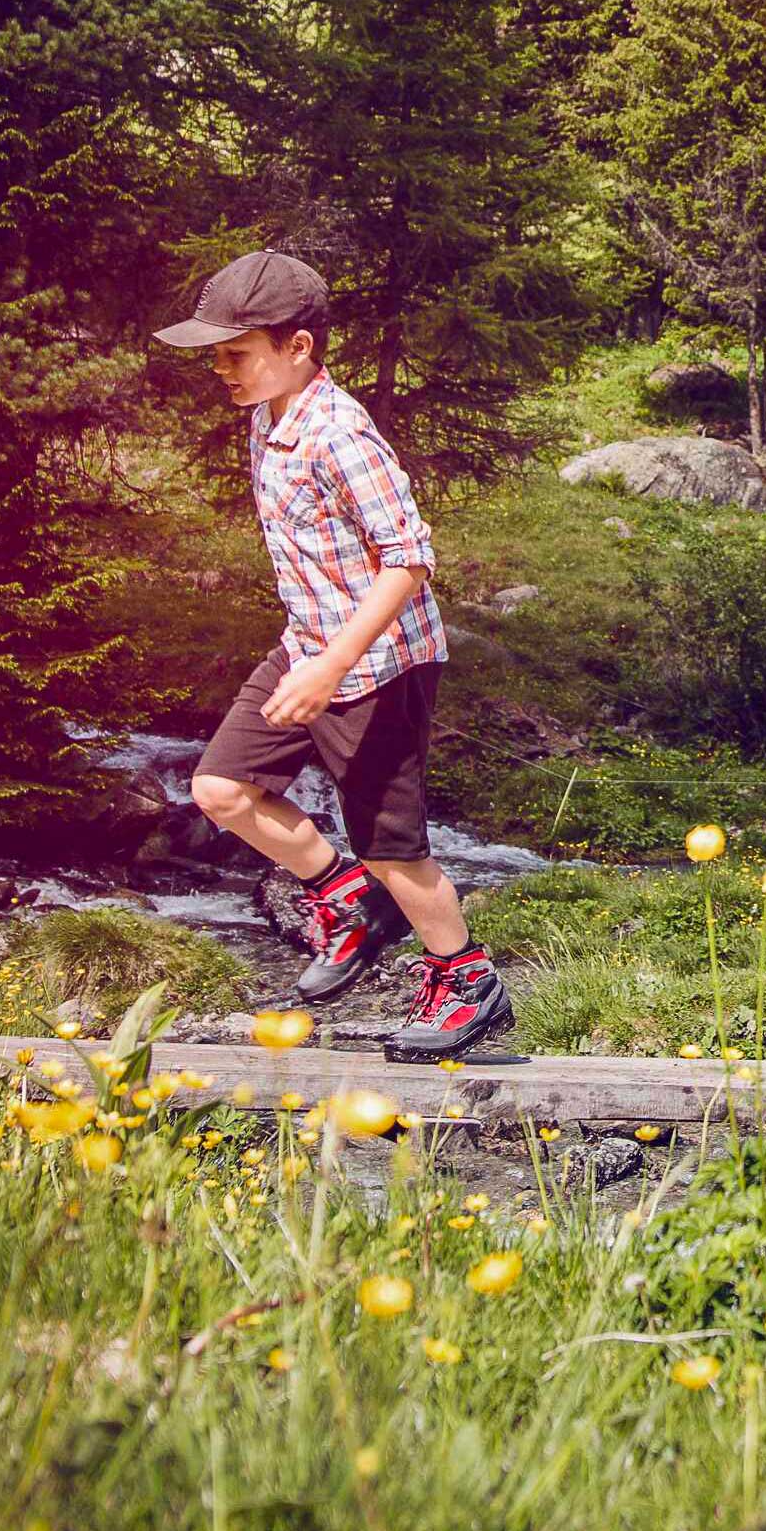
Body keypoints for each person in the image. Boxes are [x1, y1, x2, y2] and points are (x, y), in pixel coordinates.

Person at [155, 251, 516, 1064]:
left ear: (300, 347)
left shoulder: (339, 432)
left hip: (379, 665)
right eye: (215, 354)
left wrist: (330, 668)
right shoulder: (267, 415)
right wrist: (309, 658)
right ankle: (346, 900)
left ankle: (467, 980)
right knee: (220, 787)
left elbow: (409, 557)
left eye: (235, 352)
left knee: (393, 847)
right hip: (309, 647)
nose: (220, 369)